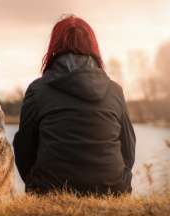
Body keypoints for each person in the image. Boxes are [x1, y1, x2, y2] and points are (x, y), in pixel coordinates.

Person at [13, 15, 136, 196]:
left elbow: (24, 150)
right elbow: (129, 150)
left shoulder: (37, 90)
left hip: (49, 190)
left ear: (54, 47)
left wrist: (35, 183)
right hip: (112, 190)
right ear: (93, 47)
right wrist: (117, 181)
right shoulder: (115, 91)